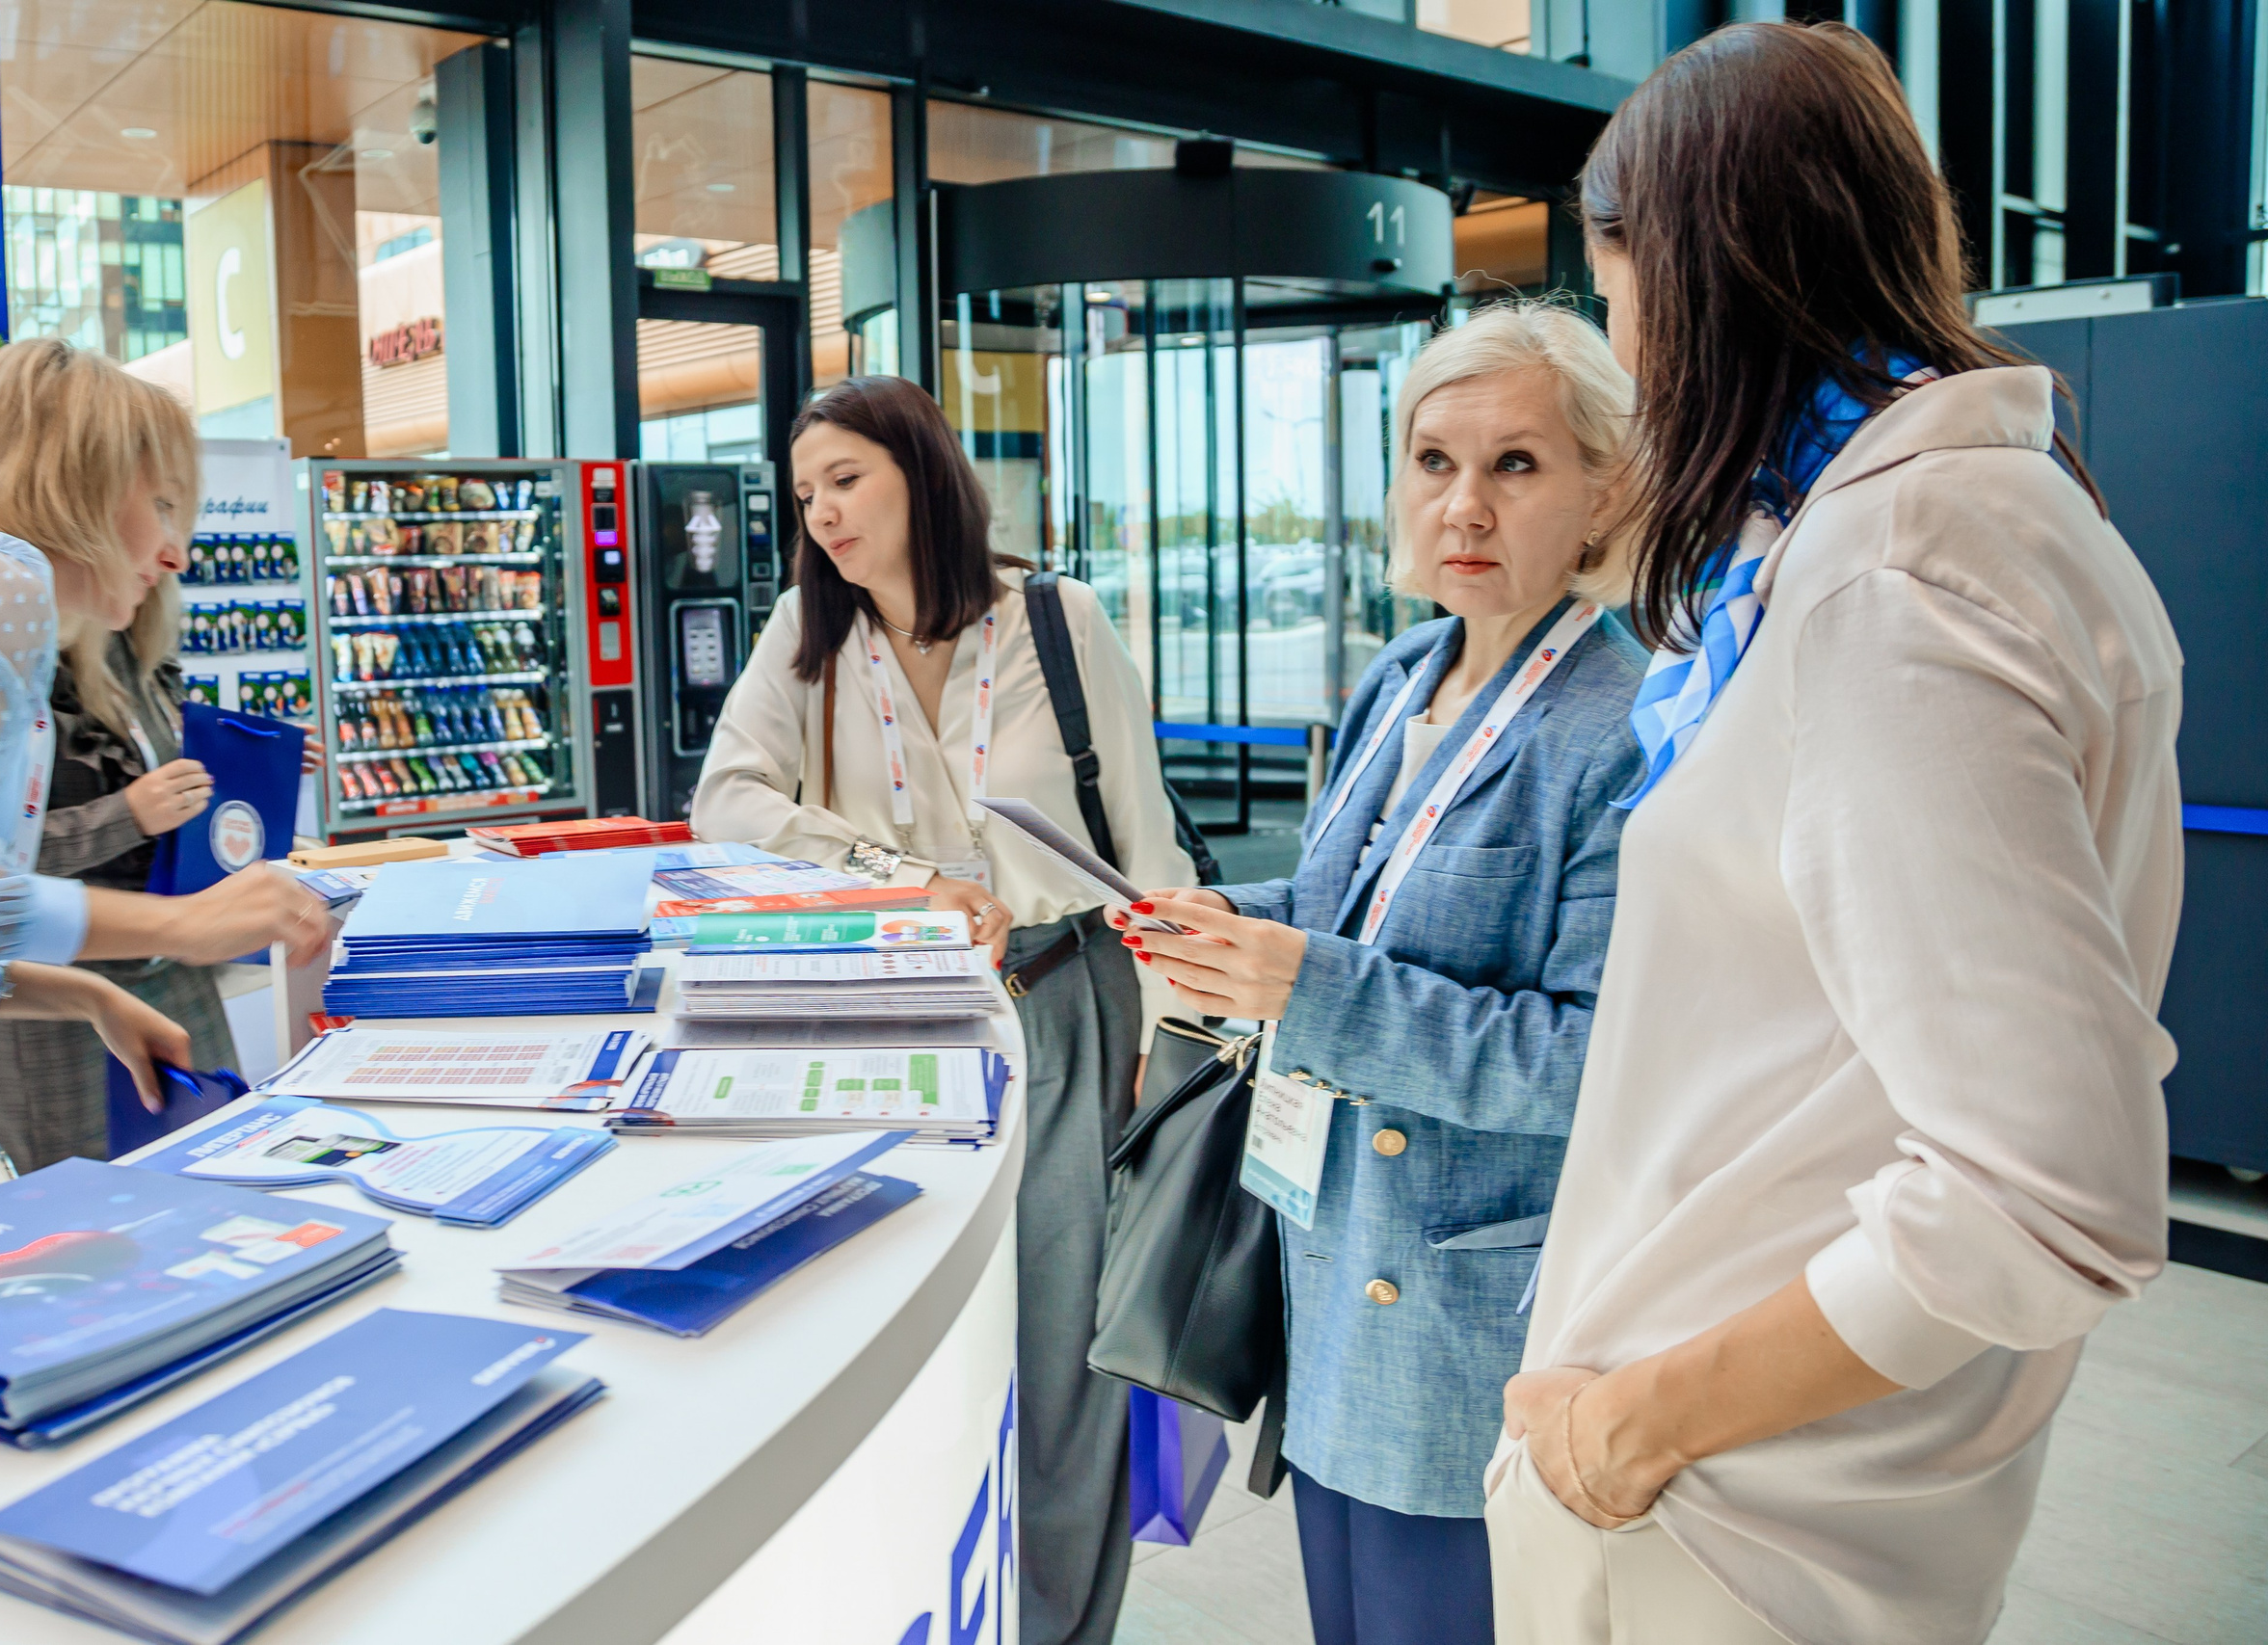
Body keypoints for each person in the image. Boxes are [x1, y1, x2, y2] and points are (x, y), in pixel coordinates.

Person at [1488, 24, 2183, 1645]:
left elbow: (2046, 1192)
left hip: (1727, 1513)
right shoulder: (1945, 527)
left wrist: (1634, 1425)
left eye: (1621, 285)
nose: (1630, 342)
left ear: (1700, 266)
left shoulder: (1896, 575)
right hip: (1779, 1492)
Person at [1112, 303, 1645, 1645]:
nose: (1463, 503)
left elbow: (1587, 1057)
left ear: (1603, 490)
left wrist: (1307, 982)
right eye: (1432, 460)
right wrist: (1224, 918)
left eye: (1515, 464)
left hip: (1469, 1310)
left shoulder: (1623, 724)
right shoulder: (1407, 669)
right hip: (1332, 1263)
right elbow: (1345, 903)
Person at [693, 374, 1194, 1645]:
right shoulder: (806, 647)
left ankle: (1065, 1624)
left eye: (847, 479)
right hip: (895, 1023)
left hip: (1066, 1001)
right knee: (916, 1348)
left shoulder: (1056, 621)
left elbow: (1150, 853)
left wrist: (1160, 1047)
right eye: (806, 495)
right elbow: (728, 803)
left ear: (921, 470)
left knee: (1064, 1356)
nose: (825, 516)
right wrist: (898, 876)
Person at [0, 339, 330, 1240]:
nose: (176, 552)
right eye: (162, 504)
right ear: (78, 480)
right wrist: (180, 924)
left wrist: (85, 993)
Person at [0, 578, 257, 1171]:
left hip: (174, 981)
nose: (175, 552)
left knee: (210, 1178)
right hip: (51, 1009)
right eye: (160, 507)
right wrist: (124, 817)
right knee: (71, 1223)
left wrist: (245, 760)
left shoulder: (134, 642)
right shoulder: (1, 659)